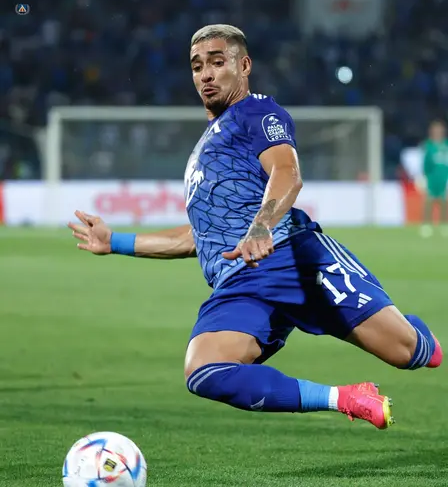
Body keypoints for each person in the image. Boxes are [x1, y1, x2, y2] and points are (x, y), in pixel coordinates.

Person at [68, 25, 443, 430]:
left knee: (409, 352)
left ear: (244, 65)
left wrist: (261, 227)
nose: (206, 74)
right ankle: (346, 398)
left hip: (294, 259)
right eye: (197, 66)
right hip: (241, 281)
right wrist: (115, 241)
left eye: (217, 62)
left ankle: (418, 334)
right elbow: (200, 237)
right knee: (204, 370)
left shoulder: (257, 113)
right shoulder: (205, 147)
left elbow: (287, 173)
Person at [420, 119, 448, 237]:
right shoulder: (428, 145)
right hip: (431, 178)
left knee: (444, 202)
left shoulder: (446, 145)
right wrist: (423, 176)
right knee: (429, 201)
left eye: (439, 130)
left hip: (445, 177)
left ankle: (444, 225)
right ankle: (426, 225)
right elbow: (425, 163)